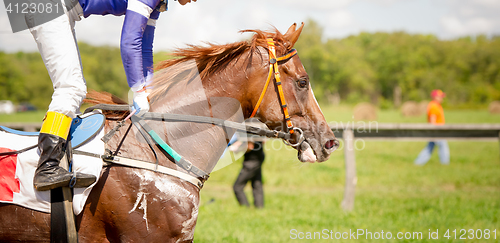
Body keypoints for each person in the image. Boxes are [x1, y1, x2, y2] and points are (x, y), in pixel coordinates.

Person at [28, 0, 196, 191]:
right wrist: (138, 90)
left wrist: (148, 90)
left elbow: (144, 47)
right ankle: (46, 168)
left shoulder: (158, 4)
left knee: (73, 87)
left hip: (61, 10)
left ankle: (56, 161)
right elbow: (129, 41)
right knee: (71, 88)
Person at [414, 89, 450, 165]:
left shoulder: (436, 105)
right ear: (435, 97)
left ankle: (418, 163)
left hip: (437, 130)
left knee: (429, 148)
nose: (442, 98)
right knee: (443, 147)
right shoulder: (434, 106)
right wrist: (434, 131)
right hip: (437, 131)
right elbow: (432, 119)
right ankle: (445, 163)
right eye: (440, 97)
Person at [233, 140, 265, 208]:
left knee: (237, 187)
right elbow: (264, 141)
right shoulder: (260, 129)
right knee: (257, 184)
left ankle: (245, 207)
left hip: (251, 161)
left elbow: (250, 146)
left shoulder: (250, 130)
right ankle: (259, 208)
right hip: (259, 157)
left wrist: (238, 150)